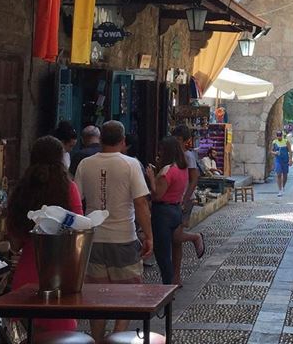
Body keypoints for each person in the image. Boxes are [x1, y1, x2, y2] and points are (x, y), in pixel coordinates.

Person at [74, 120, 153, 342]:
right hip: (123, 239)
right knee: (127, 296)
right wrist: (149, 235)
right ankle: (117, 338)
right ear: (123, 140)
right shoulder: (130, 164)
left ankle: (98, 339)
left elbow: (77, 200)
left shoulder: (85, 164)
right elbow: (140, 204)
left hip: (93, 239)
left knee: (97, 297)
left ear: (101, 140)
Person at [7, 136, 83, 338]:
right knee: (59, 338)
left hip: (26, 274)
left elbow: (14, 242)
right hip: (59, 275)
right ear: (60, 159)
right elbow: (79, 229)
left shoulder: (22, 190)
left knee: (26, 336)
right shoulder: (69, 189)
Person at [146, 137, 194, 284]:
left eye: (161, 150)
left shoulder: (168, 170)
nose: (159, 153)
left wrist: (151, 178)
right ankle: (173, 281)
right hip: (175, 210)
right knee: (172, 247)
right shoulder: (182, 168)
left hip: (163, 212)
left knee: (163, 253)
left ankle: (168, 287)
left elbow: (157, 194)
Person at [171, 125, 205, 286]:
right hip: (172, 199)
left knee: (176, 237)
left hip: (184, 199)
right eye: (174, 139)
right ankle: (176, 277)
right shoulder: (172, 155)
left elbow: (193, 179)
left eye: (179, 140)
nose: (176, 143)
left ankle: (195, 237)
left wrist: (185, 199)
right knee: (175, 241)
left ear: (186, 141)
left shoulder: (188, 156)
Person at [272, 129, 293, 197]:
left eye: (280, 136)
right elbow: (271, 151)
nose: (279, 137)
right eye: (278, 136)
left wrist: (290, 160)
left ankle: (283, 186)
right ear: (276, 136)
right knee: (278, 174)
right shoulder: (274, 142)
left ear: (282, 136)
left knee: (285, 175)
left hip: (285, 160)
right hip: (278, 160)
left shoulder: (286, 142)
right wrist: (275, 152)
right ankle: (280, 190)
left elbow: (290, 151)